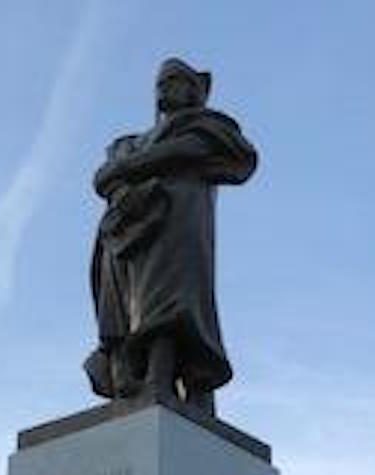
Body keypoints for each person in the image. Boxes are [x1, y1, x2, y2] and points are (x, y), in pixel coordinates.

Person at [85, 58, 257, 415]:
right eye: (161, 82)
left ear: (196, 90)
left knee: (169, 303)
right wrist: (127, 167)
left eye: (176, 81)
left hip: (176, 224)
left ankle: (165, 380)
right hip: (125, 231)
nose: (165, 88)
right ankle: (129, 378)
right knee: (120, 309)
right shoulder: (129, 142)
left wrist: (129, 167)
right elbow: (102, 178)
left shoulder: (207, 127)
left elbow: (196, 150)